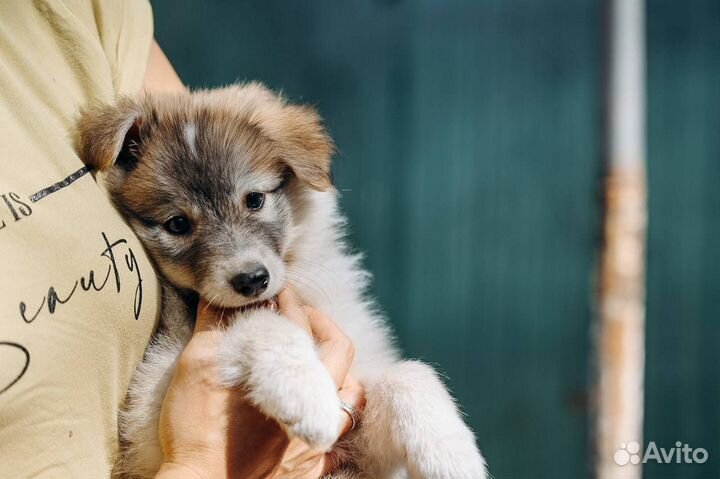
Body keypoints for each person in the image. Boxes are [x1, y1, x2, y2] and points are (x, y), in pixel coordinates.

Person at [0, 1, 363, 478]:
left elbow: (207, 138)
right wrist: (205, 463)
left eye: (252, 202)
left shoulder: (73, 10)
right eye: (179, 225)